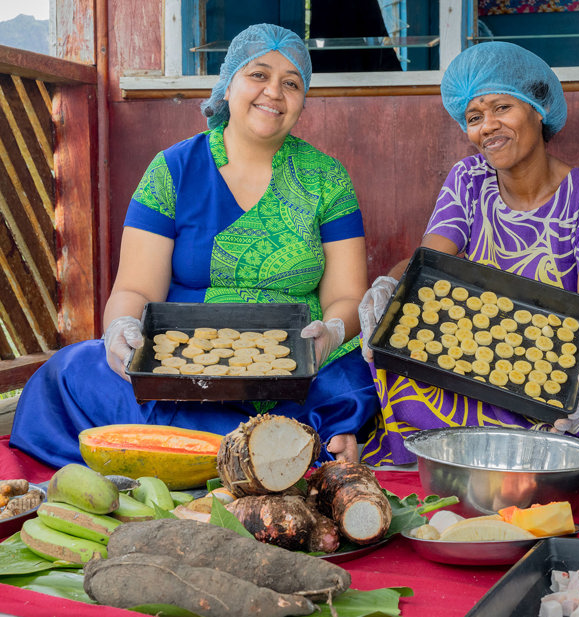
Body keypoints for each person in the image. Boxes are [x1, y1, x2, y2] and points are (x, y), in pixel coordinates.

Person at [10, 24, 378, 467]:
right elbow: (135, 289)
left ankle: (204, 449)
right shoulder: (172, 170)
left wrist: (331, 334)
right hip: (182, 364)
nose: (274, 93)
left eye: (291, 82)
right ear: (228, 85)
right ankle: (276, 452)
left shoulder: (326, 178)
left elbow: (345, 296)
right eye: (258, 75)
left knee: (358, 380)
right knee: (66, 375)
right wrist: (122, 331)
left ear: (303, 99)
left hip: (298, 369)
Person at [357, 42, 579, 478]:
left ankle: (485, 454)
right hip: (461, 356)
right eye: (474, 117)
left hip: (547, 368)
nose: (487, 127)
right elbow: (427, 262)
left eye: (501, 108)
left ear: (538, 108)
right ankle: (528, 458)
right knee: (391, 363)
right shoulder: (469, 179)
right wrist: (388, 288)